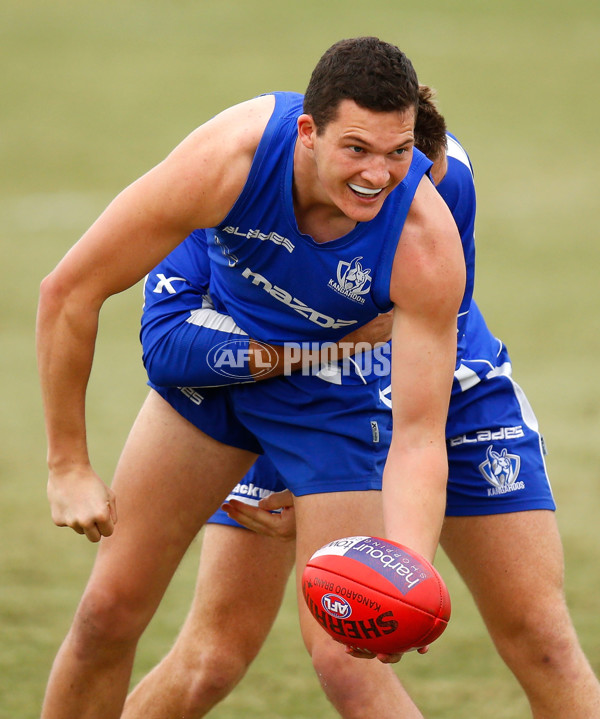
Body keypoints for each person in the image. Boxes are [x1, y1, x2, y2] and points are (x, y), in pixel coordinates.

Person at [121, 88, 600, 718]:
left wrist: (347, 502)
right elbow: (169, 347)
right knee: (218, 656)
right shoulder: (238, 186)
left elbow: (423, 362)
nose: (388, 198)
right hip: (293, 406)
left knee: (543, 642)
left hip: (448, 394)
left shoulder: (443, 185)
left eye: (403, 177)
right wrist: (310, 467)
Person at [36, 37, 467, 719]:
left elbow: (418, 434)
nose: (378, 175)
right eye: (356, 149)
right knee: (106, 613)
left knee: (344, 658)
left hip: (334, 399)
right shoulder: (229, 160)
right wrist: (68, 464)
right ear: (307, 132)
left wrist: (404, 567)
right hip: (221, 377)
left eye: (397, 152)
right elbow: (69, 292)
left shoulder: (424, 240)